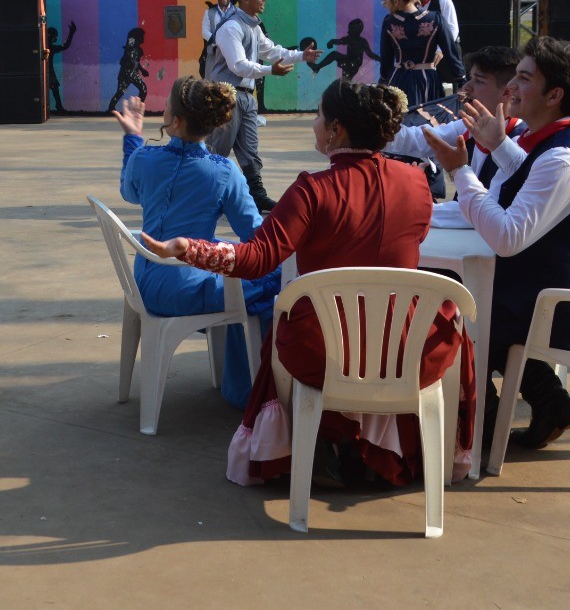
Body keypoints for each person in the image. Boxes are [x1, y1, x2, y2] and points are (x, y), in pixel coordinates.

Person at [140, 81, 475, 487]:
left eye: (317, 116)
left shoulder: (312, 190)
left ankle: (319, 439)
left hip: (327, 350)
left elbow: (255, 258)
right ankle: (367, 445)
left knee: (282, 314)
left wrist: (188, 248)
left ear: (336, 130)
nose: (314, 124)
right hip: (403, 348)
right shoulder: (416, 183)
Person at [423, 37, 570, 450]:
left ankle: (483, 422)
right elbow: (527, 178)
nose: (510, 87)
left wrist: (461, 173)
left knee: (449, 308)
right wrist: (498, 145)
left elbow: (508, 238)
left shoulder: (562, 158)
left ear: (554, 95)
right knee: (456, 292)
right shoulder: (555, 142)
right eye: (514, 76)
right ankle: (549, 403)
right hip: (557, 288)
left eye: (523, 78)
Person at [113, 81, 278, 406]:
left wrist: (132, 136)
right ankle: (245, 393)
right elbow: (255, 237)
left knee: (243, 280)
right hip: (186, 291)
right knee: (273, 286)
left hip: (142, 284)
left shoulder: (145, 158)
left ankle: (238, 385)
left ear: (175, 121)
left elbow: (128, 192)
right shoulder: (223, 172)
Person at [204, 0, 320, 212]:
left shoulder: (253, 27)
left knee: (250, 150)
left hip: (246, 96)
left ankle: (256, 194)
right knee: (218, 149)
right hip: (225, 96)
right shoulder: (231, 27)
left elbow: (272, 50)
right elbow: (238, 65)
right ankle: (208, 197)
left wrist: (300, 56)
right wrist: (270, 70)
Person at [385, 45, 524, 185]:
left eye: (479, 81)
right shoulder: (470, 125)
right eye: (470, 78)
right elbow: (416, 139)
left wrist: (457, 171)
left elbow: (488, 204)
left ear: (507, 92)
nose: (466, 87)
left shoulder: (520, 140)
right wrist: (373, 128)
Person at [379, 0, 457, 108]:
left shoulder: (389, 22)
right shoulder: (435, 18)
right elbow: (451, 51)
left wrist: (383, 80)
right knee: (427, 120)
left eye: (385, 2)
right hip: (427, 78)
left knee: (399, 118)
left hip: (399, 78)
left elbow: (386, 57)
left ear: (396, 1)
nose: (385, 5)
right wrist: (461, 79)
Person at [308, 18, 379, 82]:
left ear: (355, 30)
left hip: (351, 65)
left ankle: (318, 67)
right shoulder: (361, 41)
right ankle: (317, 67)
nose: (348, 32)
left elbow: (341, 41)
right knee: (344, 79)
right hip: (349, 62)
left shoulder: (354, 39)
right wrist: (380, 59)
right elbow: (371, 54)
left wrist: (331, 42)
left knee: (345, 81)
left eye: (350, 29)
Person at [107, 26, 148, 112]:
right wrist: (140, 69)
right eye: (142, 36)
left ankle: (138, 108)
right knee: (121, 91)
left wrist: (141, 70)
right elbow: (133, 62)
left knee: (142, 89)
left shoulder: (138, 50)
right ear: (138, 38)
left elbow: (136, 63)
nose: (143, 38)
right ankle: (111, 108)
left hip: (132, 73)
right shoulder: (130, 50)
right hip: (127, 73)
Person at [199, 0, 235, 78]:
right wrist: (219, 42)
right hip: (213, 54)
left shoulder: (237, 13)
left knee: (230, 86)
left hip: (232, 55)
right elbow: (205, 32)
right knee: (211, 86)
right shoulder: (209, 13)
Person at [43, 20, 77, 114]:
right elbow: (65, 46)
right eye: (55, 37)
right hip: (48, 73)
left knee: (54, 89)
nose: (55, 39)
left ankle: (59, 106)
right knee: (55, 89)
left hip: (48, 72)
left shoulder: (46, 47)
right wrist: (71, 33)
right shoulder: (51, 48)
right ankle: (59, 107)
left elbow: (64, 46)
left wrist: (71, 32)